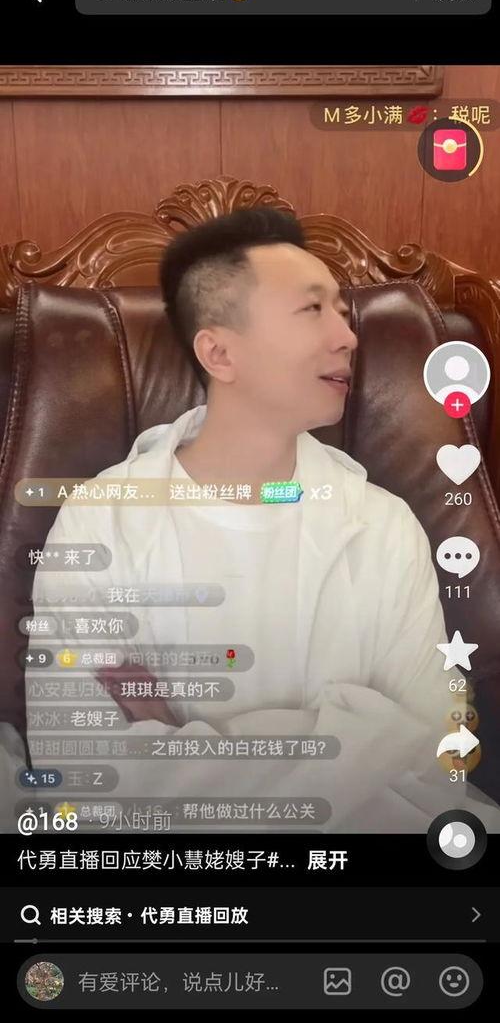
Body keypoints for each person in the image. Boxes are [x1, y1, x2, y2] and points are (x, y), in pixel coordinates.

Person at [25, 207, 498, 833]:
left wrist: (178, 744)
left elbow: (435, 755)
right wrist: (360, 733)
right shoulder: (99, 523)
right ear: (220, 352)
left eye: (341, 310)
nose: (347, 335)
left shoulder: (383, 526)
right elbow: (82, 769)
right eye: (312, 309)